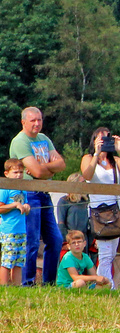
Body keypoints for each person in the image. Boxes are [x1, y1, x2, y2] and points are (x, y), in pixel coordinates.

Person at [11, 105, 66, 287]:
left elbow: (61, 164)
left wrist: (42, 168)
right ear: (23, 122)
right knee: (32, 241)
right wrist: (45, 167)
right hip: (27, 193)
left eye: (39, 120)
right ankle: (28, 283)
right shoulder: (20, 141)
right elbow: (34, 170)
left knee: (55, 240)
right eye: (33, 120)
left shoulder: (44, 139)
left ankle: (49, 283)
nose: (37, 124)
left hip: (44, 192)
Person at [81, 126, 120, 286]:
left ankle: (107, 284)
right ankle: (106, 285)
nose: (104, 142)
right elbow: (87, 175)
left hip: (114, 210)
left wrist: (119, 150)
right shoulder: (88, 157)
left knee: (111, 253)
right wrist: (96, 154)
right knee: (104, 252)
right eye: (101, 139)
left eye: (107, 138)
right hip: (98, 211)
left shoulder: (114, 161)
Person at [0, 159, 29, 287]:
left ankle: (18, 287)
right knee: (8, 260)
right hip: (9, 230)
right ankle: (4, 286)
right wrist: (14, 204)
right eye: (15, 172)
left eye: (21, 172)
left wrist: (27, 207)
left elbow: (24, 207)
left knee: (19, 261)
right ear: (6, 174)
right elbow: (1, 208)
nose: (19, 175)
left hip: (21, 230)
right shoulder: (5, 188)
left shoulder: (23, 189)